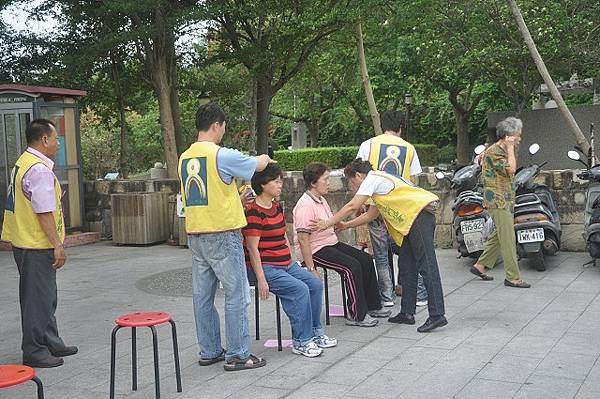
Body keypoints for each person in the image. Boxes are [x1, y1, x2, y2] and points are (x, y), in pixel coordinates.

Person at [179, 103, 272, 371]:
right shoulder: (220, 154)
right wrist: (265, 159)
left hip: (196, 234)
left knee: (203, 296)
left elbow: (208, 192)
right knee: (237, 293)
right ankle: (239, 355)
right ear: (217, 125)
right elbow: (256, 164)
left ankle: (209, 350)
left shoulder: (185, 157)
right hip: (222, 232)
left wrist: (236, 197)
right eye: (224, 126)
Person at [312, 159, 447, 333]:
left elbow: (353, 205)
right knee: (406, 266)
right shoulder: (378, 185)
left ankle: (437, 315)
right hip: (411, 222)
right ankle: (407, 312)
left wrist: (327, 223)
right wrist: (346, 225)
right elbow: (370, 215)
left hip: (419, 216)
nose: (353, 187)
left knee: (427, 266)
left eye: (352, 182)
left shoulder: (373, 179)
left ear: (359, 176)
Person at [1, 119, 77, 368]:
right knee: (37, 298)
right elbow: (44, 211)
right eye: (56, 138)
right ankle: (34, 350)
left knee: (45, 295)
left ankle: (51, 341)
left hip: (24, 240)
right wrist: (58, 244)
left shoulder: (23, 161)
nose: (58, 143)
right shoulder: (39, 170)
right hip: (36, 243)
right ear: (44, 140)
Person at [243, 163, 337, 357]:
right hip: (267, 267)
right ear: (263, 184)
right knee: (299, 290)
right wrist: (261, 279)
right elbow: (252, 248)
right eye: (276, 182)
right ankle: (301, 341)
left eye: (280, 181)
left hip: (285, 263)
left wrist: (294, 262)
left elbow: (284, 236)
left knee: (314, 283)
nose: (280, 185)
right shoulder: (254, 211)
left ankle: (314, 331)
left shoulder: (276, 206)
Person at [294, 162, 391, 328]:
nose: (329, 182)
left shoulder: (321, 200)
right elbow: (303, 239)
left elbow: (329, 223)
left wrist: (339, 225)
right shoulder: (304, 205)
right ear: (313, 183)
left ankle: (373, 306)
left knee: (366, 259)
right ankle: (356, 314)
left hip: (330, 243)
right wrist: (310, 268)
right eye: (325, 179)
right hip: (315, 250)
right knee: (351, 267)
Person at [357, 110, 427, 307]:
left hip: (375, 206)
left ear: (382, 126)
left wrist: (362, 203)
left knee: (380, 253)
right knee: (408, 250)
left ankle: (386, 297)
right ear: (401, 127)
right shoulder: (409, 148)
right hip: (401, 208)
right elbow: (413, 180)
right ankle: (420, 294)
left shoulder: (368, 144)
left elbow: (360, 175)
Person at [470, 117, 531, 288]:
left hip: (505, 199)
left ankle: (480, 266)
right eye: (517, 136)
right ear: (508, 136)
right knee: (508, 238)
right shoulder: (496, 152)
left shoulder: (499, 150)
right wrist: (511, 148)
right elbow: (511, 169)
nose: (520, 139)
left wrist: (509, 148)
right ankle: (512, 277)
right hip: (497, 200)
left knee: (500, 234)